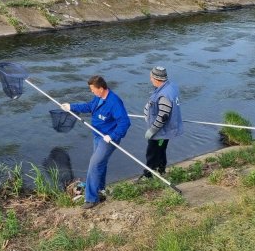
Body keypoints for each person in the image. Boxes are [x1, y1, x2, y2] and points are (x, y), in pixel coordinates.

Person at [61, 75, 131, 209]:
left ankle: (91, 199)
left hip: (109, 139)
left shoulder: (114, 102)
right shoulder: (98, 98)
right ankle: (100, 191)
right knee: (100, 164)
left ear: (101, 88)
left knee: (94, 165)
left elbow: (125, 122)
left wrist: (113, 135)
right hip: (98, 136)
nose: (92, 92)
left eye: (93, 89)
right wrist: (71, 106)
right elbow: (89, 107)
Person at [139, 66, 183, 181]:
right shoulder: (170, 86)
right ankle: (161, 170)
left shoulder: (164, 95)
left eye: (151, 77)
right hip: (164, 130)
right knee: (160, 150)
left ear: (156, 78)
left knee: (152, 152)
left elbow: (163, 117)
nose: (150, 79)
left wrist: (152, 130)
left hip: (161, 131)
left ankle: (148, 175)